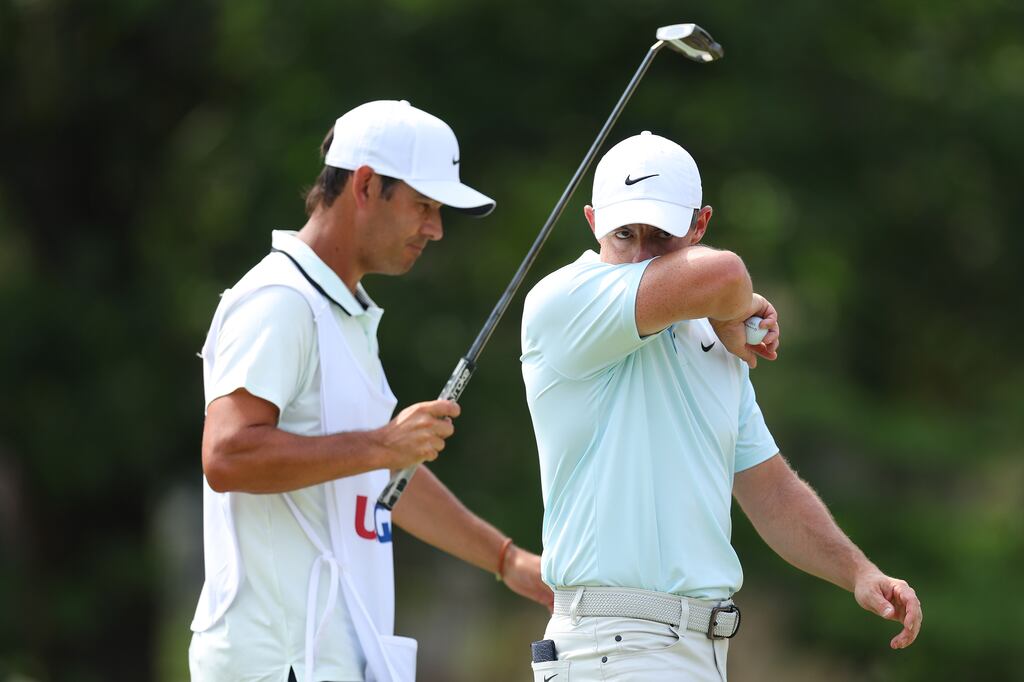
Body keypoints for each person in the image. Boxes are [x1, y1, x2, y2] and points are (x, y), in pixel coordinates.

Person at [520, 131, 922, 681]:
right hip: (613, 649)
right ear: (592, 222)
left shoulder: (715, 341)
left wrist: (857, 571)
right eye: (623, 234)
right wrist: (742, 304)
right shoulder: (563, 301)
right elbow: (726, 274)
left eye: (659, 236)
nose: (640, 255)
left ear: (699, 224)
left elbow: (771, 488)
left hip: (695, 652)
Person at [189, 100, 552, 682]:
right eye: (424, 206)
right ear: (364, 185)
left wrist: (506, 561)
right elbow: (227, 455)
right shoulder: (279, 301)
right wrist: (384, 445)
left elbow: (387, 477)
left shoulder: (343, 313)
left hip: (331, 660)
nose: (434, 229)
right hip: (277, 664)